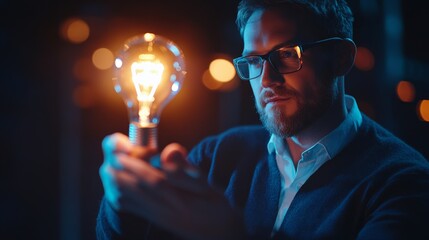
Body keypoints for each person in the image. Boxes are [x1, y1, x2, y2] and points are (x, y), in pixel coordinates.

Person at [96, 0, 429, 239]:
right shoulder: (219, 156)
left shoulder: (403, 183)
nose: (267, 79)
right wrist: (124, 205)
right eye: (254, 62)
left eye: (287, 55)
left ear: (341, 58)